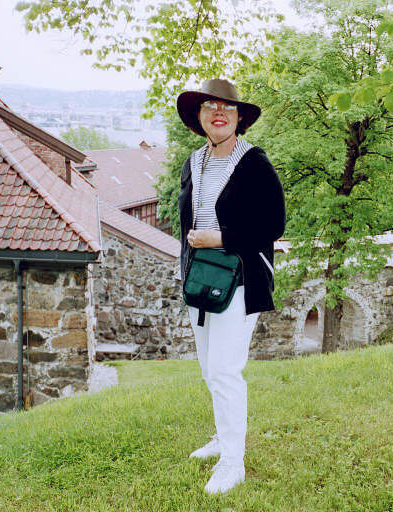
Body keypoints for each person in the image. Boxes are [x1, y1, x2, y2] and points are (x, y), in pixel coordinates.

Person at [175, 78, 286, 494]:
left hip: (241, 277)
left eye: (227, 107)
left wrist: (220, 238)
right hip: (201, 279)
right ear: (200, 117)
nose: (218, 113)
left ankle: (233, 462)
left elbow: (274, 225)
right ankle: (223, 438)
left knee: (225, 369)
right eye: (209, 106)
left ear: (239, 119)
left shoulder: (254, 163)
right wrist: (188, 266)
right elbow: (187, 224)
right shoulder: (193, 162)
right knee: (210, 368)